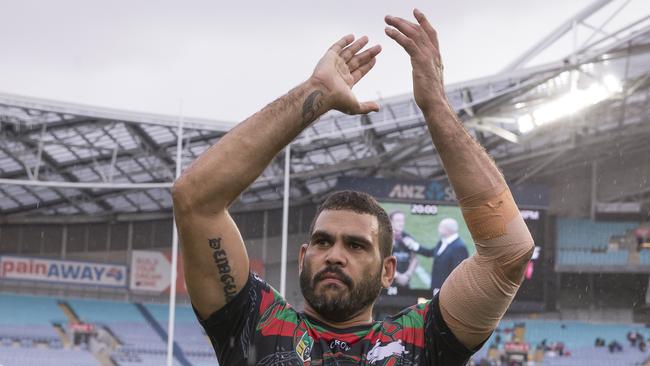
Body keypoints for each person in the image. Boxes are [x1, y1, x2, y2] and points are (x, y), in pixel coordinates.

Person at [173, 9, 534, 365]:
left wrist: (436, 108)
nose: (334, 254)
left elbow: (509, 253)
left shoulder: (422, 342)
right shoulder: (256, 323)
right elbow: (195, 198)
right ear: (303, 258)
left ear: (388, 271)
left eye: (357, 245)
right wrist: (316, 92)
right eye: (323, 241)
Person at [403, 217, 469, 294]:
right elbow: (430, 253)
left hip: (446, 291)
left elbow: (457, 273)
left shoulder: (459, 247)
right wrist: (413, 245)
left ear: (448, 230)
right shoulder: (442, 241)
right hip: (436, 289)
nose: (438, 228)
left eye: (441, 227)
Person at [389, 210, 419, 288]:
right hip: (387, 282)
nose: (401, 223)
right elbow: (381, 260)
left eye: (403, 220)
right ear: (390, 222)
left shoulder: (408, 238)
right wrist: (397, 276)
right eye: (398, 220)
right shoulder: (384, 238)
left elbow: (414, 259)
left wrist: (407, 275)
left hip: (405, 281)